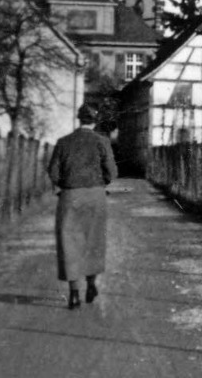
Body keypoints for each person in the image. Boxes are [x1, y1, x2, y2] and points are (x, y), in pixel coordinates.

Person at [48, 103, 118, 309]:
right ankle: (91, 284)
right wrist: (100, 182)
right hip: (95, 195)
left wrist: (66, 185)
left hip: (70, 196)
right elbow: (112, 173)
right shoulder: (102, 142)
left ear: (79, 119)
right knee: (93, 240)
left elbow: (53, 173)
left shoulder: (63, 142)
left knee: (70, 242)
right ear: (95, 121)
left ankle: (74, 294)